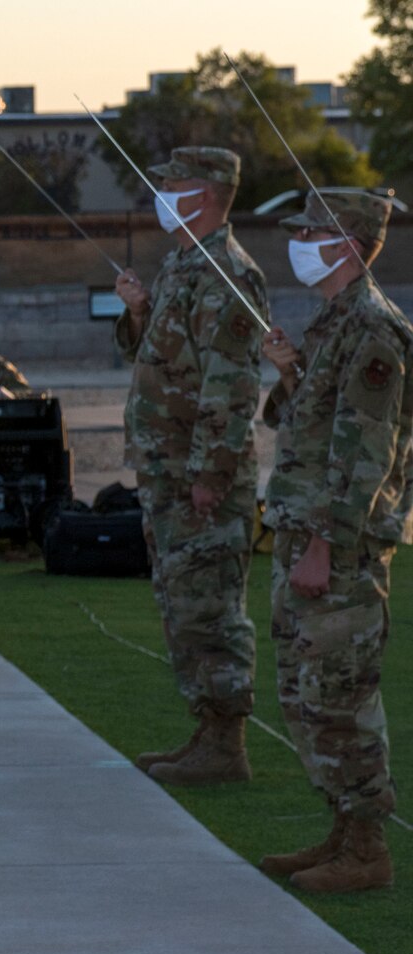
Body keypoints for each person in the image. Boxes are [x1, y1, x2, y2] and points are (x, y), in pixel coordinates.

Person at [255, 190, 411, 893]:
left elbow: (362, 454)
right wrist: (289, 367)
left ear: (348, 243)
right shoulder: (333, 323)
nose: (300, 241)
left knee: (341, 693)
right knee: (308, 691)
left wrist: (324, 543)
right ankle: (344, 828)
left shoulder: (374, 329)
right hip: (303, 537)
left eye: (313, 230)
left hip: (338, 548)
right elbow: (305, 421)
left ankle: (368, 848)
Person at [111, 146, 268, 787]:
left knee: (211, 608)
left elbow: (229, 389)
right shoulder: (183, 265)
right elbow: (158, 358)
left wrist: (210, 474)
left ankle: (227, 744)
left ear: (202, 193)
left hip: (200, 480)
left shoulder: (227, 274)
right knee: (182, 605)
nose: (162, 194)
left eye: (171, 185)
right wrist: (140, 310)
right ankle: (207, 732)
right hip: (168, 474)